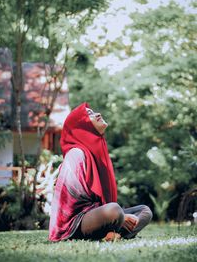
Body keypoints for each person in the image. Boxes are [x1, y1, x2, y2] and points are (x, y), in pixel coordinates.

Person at [49, 102, 152, 242]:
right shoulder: (76, 154)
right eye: (89, 114)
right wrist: (120, 216)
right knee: (114, 211)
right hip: (76, 222)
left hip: (98, 216)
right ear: (80, 126)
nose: (98, 114)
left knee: (144, 211)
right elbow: (72, 203)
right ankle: (114, 229)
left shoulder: (97, 153)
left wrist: (121, 216)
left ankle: (114, 235)